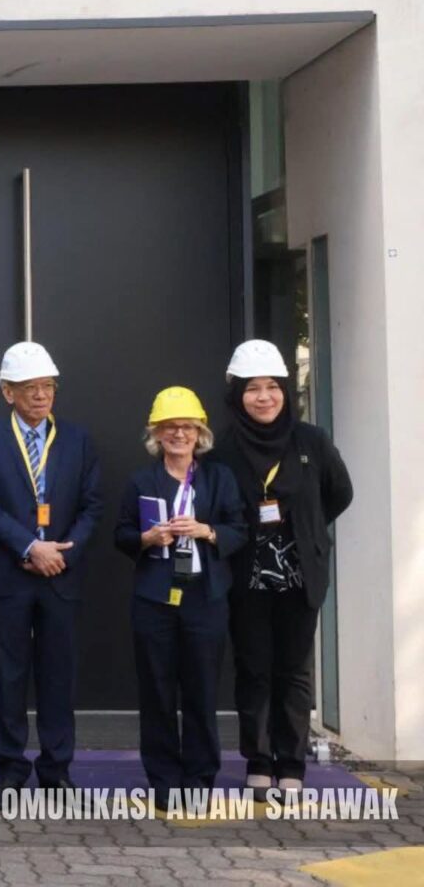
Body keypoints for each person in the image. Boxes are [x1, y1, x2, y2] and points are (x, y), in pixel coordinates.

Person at [208, 340, 352, 800]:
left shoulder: (311, 440)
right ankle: (258, 761)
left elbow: (339, 493)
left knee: (293, 671)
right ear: (238, 395)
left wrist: (306, 531)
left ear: (285, 392)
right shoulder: (223, 449)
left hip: (299, 575)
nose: (264, 397)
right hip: (246, 577)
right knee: (253, 669)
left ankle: (291, 763)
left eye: (272, 387)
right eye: (253, 388)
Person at [0, 342, 101, 790]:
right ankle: (10, 766)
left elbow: (92, 505)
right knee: (8, 676)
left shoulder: (77, 440)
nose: (41, 395)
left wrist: (62, 553)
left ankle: (56, 767)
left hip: (61, 574)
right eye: (30, 388)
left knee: (58, 675)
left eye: (48, 386)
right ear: (8, 392)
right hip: (9, 574)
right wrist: (29, 548)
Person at [114, 386, 247, 812]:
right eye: (169, 427)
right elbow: (121, 535)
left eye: (187, 427)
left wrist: (207, 531)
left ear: (200, 433)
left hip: (204, 598)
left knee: (201, 692)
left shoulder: (219, 478)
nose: (179, 434)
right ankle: (164, 781)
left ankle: (200, 780)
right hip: (154, 599)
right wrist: (147, 538)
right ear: (156, 434)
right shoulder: (141, 481)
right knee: (157, 692)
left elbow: (239, 530)